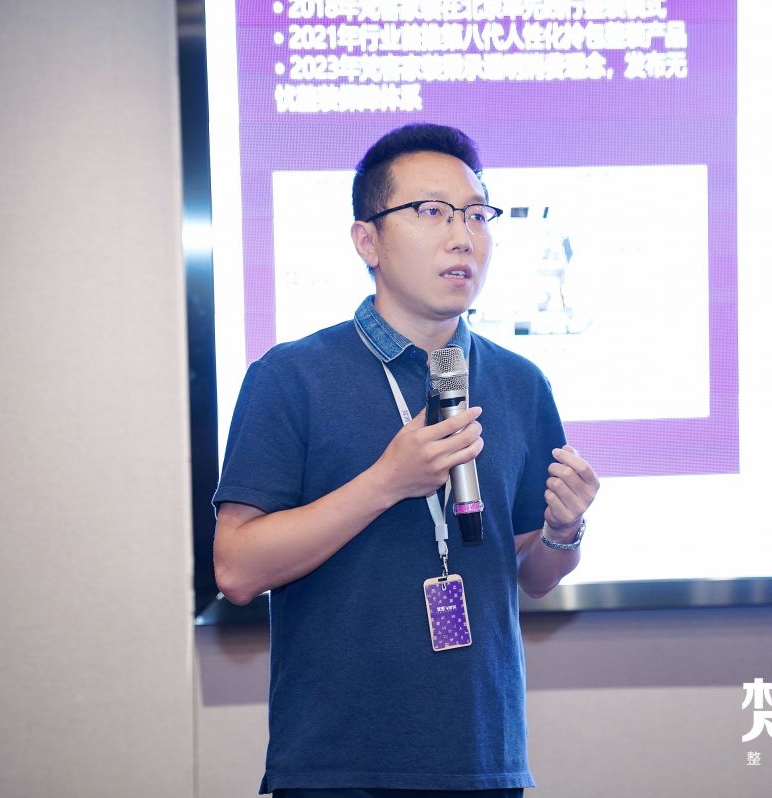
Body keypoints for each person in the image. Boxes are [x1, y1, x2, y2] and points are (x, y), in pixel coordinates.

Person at [212, 123, 600, 798]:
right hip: (338, 767)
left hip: (484, 758)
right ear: (367, 240)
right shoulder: (291, 377)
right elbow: (237, 569)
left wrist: (564, 531)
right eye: (432, 211)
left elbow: (533, 574)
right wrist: (386, 482)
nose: (463, 237)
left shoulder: (520, 382)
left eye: (476, 215)